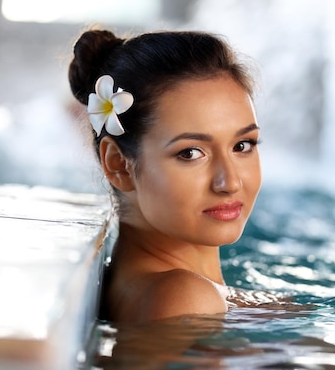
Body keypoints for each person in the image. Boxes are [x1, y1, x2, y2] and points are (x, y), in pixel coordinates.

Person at [68, 29, 262, 322]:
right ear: (119, 164)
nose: (230, 182)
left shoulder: (154, 291)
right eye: (191, 153)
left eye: (242, 145)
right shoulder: (183, 299)